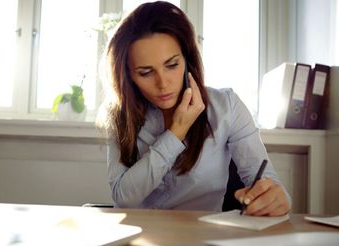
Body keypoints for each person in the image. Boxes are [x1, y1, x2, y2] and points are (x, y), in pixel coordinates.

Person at [97, 1, 291, 216]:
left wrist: (276, 198)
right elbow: (125, 199)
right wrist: (176, 132)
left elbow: (266, 180)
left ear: (187, 60)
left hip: (202, 239)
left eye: (172, 65)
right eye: (145, 72)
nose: (163, 83)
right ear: (128, 75)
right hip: (140, 236)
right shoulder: (117, 113)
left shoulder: (227, 107)